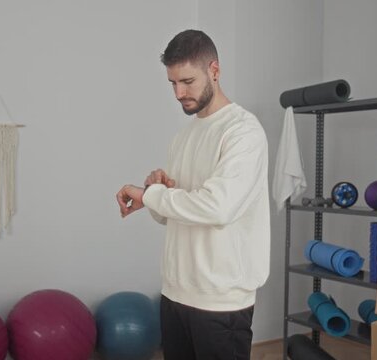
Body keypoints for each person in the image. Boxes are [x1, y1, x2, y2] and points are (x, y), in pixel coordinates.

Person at [116, 29, 270, 360]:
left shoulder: (243, 131)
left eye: (187, 81)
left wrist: (152, 196)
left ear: (214, 70)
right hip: (175, 294)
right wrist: (155, 193)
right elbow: (169, 213)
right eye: (172, 83)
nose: (178, 92)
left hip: (220, 300)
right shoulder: (182, 138)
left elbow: (218, 207)